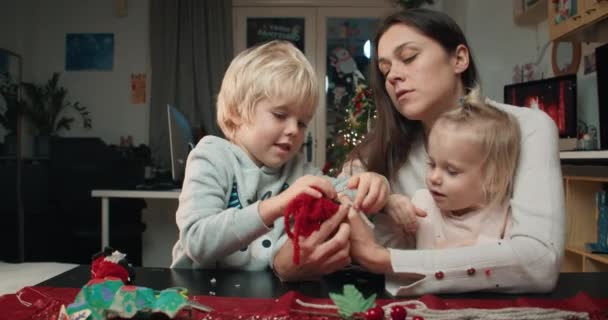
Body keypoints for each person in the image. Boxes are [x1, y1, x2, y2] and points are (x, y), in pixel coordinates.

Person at [284, 8, 563, 295]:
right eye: (385, 70)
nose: (392, 76)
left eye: (408, 58)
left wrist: (387, 260)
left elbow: (539, 260)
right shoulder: (378, 150)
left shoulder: (527, 127)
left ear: (459, 59)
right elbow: (327, 228)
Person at [171, 40, 389, 270]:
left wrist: (376, 187)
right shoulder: (212, 156)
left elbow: (342, 190)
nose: (294, 130)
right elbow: (197, 241)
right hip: (199, 295)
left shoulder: (298, 170)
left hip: (263, 298)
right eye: (279, 115)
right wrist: (279, 204)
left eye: (302, 123)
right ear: (236, 113)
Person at [391, 87, 521, 251]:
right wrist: (392, 207)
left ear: (493, 180)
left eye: (451, 171)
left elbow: (513, 264)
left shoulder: (505, 218)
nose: (433, 177)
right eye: (432, 164)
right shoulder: (422, 206)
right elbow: (394, 256)